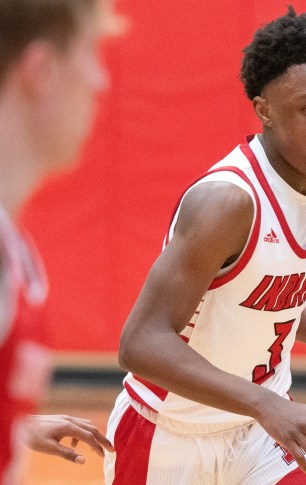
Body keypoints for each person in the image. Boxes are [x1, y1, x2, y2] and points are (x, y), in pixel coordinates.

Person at [105, 6, 306, 485]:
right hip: (167, 438)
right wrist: (266, 403)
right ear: (264, 110)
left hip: (258, 436)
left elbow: (255, 300)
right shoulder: (227, 202)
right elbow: (140, 342)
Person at [0, 0, 121, 482]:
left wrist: (14, 427)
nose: (100, 81)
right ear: (41, 70)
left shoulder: (14, 243)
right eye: (91, 53)